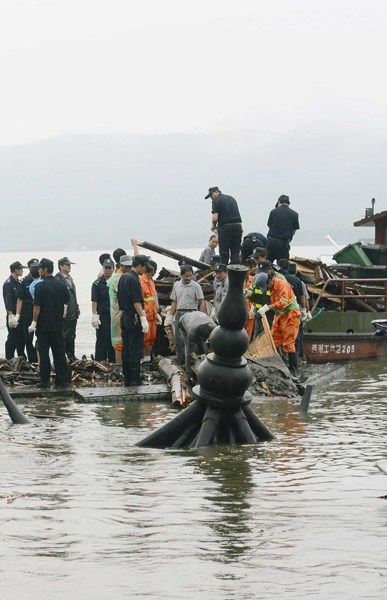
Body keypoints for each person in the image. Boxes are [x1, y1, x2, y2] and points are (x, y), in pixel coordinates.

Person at [28, 258, 70, 388]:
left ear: (45, 269)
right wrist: (63, 314)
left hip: (43, 326)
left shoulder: (40, 287)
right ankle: (61, 380)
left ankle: (45, 381)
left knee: (44, 353)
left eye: (40, 268)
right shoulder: (61, 285)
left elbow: (37, 307)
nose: (39, 270)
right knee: (59, 353)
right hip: (58, 324)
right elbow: (66, 301)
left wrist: (34, 322)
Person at [255, 271, 301, 376]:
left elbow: (283, 303)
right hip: (280, 315)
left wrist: (267, 307)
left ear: (270, 280)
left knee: (289, 343)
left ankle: (293, 370)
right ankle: (274, 366)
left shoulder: (282, 285)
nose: (267, 288)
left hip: (291, 315)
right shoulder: (271, 287)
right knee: (273, 340)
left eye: (267, 285)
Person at [117, 254, 151, 386]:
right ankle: (135, 379)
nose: (145, 271)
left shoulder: (123, 277)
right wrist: (143, 317)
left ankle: (127, 379)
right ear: (139, 266)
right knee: (135, 349)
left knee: (126, 348)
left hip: (124, 316)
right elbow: (136, 301)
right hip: (133, 316)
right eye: (144, 267)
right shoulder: (133, 279)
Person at [167, 264, 206, 364]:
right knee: (179, 338)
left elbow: (201, 302)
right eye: (186, 276)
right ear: (181, 275)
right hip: (180, 313)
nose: (188, 278)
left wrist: (201, 316)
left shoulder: (196, 286)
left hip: (192, 312)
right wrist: (170, 315)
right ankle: (181, 359)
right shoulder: (176, 285)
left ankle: (199, 358)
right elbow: (174, 302)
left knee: (194, 337)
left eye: (190, 276)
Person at [205, 186, 242, 265]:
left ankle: (224, 271)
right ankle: (235, 271)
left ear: (216, 192)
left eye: (211, 196)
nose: (211, 198)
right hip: (238, 226)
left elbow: (214, 218)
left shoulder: (216, 201)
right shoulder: (232, 199)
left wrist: (213, 226)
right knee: (235, 252)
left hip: (225, 228)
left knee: (224, 253)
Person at [107, 254, 132, 364]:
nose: (129, 268)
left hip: (117, 311)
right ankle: (119, 365)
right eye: (127, 266)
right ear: (121, 265)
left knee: (121, 339)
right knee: (119, 340)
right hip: (118, 312)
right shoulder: (118, 278)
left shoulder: (117, 277)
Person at [15, 258, 40, 363]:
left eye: (38, 267)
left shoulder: (42, 279)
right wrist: (17, 315)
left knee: (42, 337)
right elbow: (20, 299)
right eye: (34, 267)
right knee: (28, 339)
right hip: (27, 312)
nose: (37, 269)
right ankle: (32, 360)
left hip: (40, 312)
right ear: (29, 268)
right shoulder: (24, 281)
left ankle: (40, 359)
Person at [91, 257, 115, 362]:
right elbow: (94, 301)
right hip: (103, 315)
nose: (108, 270)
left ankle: (113, 361)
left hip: (114, 314)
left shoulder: (116, 281)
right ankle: (99, 361)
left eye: (110, 268)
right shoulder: (97, 284)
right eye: (106, 268)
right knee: (101, 340)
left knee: (113, 340)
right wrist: (94, 315)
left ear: (113, 269)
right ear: (103, 268)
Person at [55, 257, 80, 362]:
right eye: (67, 265)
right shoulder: (58, 279)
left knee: (72, 335)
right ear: (61, 266)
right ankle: (64, 356)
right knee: (65, 335)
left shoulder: (69, 278)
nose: (69, 266)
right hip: (65, 312)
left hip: (73, 311)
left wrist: (77, 307)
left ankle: (71, 355)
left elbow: (73, 295)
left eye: (70, 265)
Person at [3, 261, 27, 359]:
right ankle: (9, 358)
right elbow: (8, 299)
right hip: (12, 314)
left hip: (19, 314)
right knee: (12, 337)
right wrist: (11, 315)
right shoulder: (8, 283)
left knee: (21, 337)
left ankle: (21, 357)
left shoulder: (18, 282)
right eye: (21, 269)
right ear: (16, 270)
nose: (22, 271)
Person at [139, 260, 162, 363]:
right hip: (145, 316)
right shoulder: (141, 282)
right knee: (144, 339)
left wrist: (156, 313)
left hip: (152, 315)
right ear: (153, 271)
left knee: (151, 338)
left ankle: (148, 357)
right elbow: (138, 301)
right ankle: (143, 358)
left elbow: (154, 299)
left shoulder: (151, 282)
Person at [266, 194, 300, 262]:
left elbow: (269, 226)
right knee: (283, 266)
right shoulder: (294, 214)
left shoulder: (273, 212)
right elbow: (294, 230)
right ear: (288, 203)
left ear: (279, 202)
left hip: (271, 242)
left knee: (268, 265)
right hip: (283, 243)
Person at [243, 257, 256, 340]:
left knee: (249, 333)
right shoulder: (239, 280)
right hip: (241, 309)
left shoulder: (254, 280)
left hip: (251, 309)